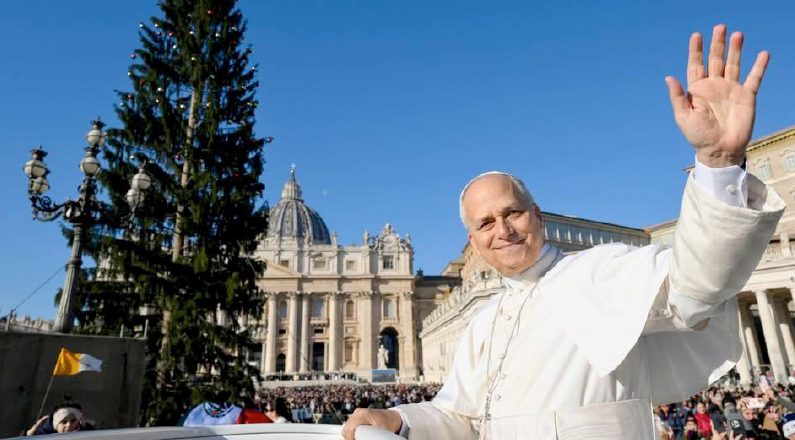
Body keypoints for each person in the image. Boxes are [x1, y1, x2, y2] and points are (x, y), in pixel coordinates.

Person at [342, 24, 785, 440]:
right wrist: (397, 418)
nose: (503, 230)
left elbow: (697, 285)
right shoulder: (484, 324)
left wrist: (718, 163)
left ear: (537, 215)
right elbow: (460, 416)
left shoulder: (603, 271)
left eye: (512, 213)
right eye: (486, 223)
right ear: (474, 241)